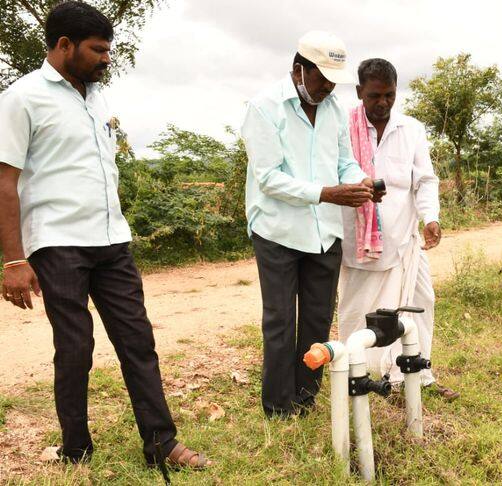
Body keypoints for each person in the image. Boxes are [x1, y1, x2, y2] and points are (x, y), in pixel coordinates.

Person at [0, 1, 208, 468]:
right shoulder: (23, 97)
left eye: (108, 50)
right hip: (57, 241)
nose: (106, 59)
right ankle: (76, 447)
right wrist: (14, 260)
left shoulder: (97, 96)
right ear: (63, 45)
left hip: (112, 239)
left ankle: (161, 444)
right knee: (75, 347)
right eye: (98, 50)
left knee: (138, 340)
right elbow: (4, 181)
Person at [241, 31, 383, 418]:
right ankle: (277, 405)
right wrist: (327, 193)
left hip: (325, 232)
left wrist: (360, 181)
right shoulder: (264, 107)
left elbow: (344, 162)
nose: (326, 88)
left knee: (318, 319)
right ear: (298, 69)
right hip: (278, 231)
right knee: (281, 321)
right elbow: (268, 178)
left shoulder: (334, 109)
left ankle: (305, 397)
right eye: (320, 79)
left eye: (333, 81)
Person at [338, 58, 459, 401]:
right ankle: (358, 376)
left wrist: (430, 217)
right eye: (375, 95)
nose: (383, 103)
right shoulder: (343, 128)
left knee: (421, 302)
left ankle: (418, 375)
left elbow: (424, 180)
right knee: (357, 311)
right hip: (361, 244)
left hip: (405, 240)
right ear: (359, 91)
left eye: (390, 95)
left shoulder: (411, 129)